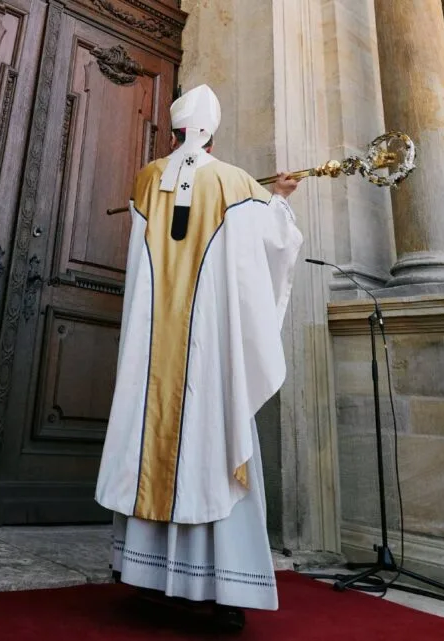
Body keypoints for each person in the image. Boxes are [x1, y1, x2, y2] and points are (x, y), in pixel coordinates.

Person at [95, 84, 302, 631]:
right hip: (209, 360)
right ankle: (221, 587)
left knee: (152, 445)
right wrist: (279, 197)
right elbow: (273, 248)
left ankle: (144, 574)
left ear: (173, 133)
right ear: (214, 133)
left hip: (150, 354)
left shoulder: (147, 180)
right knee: (213, 447)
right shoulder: (236, 183)